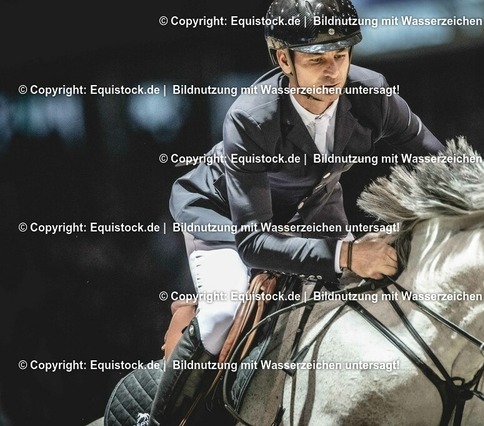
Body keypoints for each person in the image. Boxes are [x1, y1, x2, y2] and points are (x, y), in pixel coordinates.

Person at [149, 0, 444, 424]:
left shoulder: (371, 93)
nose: (333, 71)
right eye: (316, 59)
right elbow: (255, 242)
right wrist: (347, 254)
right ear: (284, 60)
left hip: (312, 207)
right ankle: (159, 420)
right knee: (221, 314)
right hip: (226, 216)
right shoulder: (250, 118)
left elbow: (439, 161)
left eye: (340, 55)